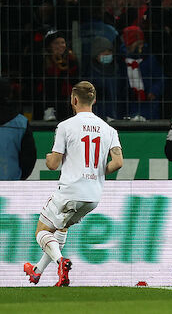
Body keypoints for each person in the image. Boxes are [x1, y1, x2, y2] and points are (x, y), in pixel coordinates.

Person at [23, 81, 123, 286]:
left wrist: (49, 157)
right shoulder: (109, 130)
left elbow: (53, 164)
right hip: (93, 197)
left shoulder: (66, 126)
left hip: (69, 191)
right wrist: (96, 172)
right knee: (62, 227)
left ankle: (61, 261)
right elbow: (118, 162)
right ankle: (37, 271)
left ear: (74, 100)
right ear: (94, 100)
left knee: (42, 231)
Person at [0, 78, 36, 180]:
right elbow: (29, 157)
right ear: (9, 94)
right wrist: (20, 179)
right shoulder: (21, 122)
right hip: (12, 183)